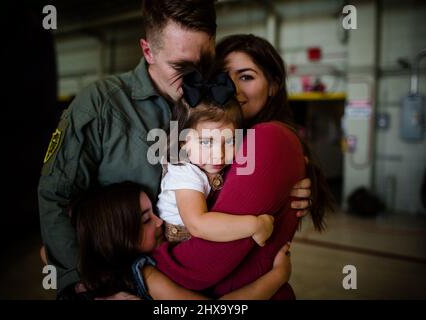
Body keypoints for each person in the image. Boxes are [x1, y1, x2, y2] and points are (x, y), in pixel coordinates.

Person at [38, 0, 311, 299]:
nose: (197, 78)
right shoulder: (101, 105)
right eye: (181, 67)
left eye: (205, 63)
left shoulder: (218, 106)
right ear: (147, 51)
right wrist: (84, 284)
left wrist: (287, 189)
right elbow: (55, 198)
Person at [151, 34, 335, 299]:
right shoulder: (221, 145)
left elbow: (203, 263)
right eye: (225, 76)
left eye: (246, 76)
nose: (234, 88)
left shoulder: (267, 138)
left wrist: (147, 273)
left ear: (273, 85)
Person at [73, 181, 292, 300]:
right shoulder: (146, 275)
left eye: (155, 212)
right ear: (118, 237)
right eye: (147, 219)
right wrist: (278, 276)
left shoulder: (96, 280)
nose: (160, 223)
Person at [157, 66, 274, 246]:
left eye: (229, 141)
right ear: (183, 143)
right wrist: (255, 225)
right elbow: (197, 225)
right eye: (205, 142)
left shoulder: (216, 162)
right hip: (182, 241)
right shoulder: (184, 173)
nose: (219, 154)